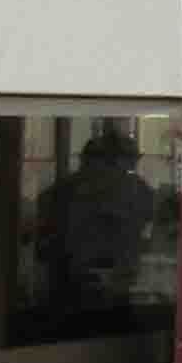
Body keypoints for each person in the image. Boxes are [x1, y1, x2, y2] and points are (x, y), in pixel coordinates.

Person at [44, 128, 152, 316]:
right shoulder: (68, 190)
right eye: (128, 161)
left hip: (110, 278)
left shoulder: (136, 189)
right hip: (79, 278)